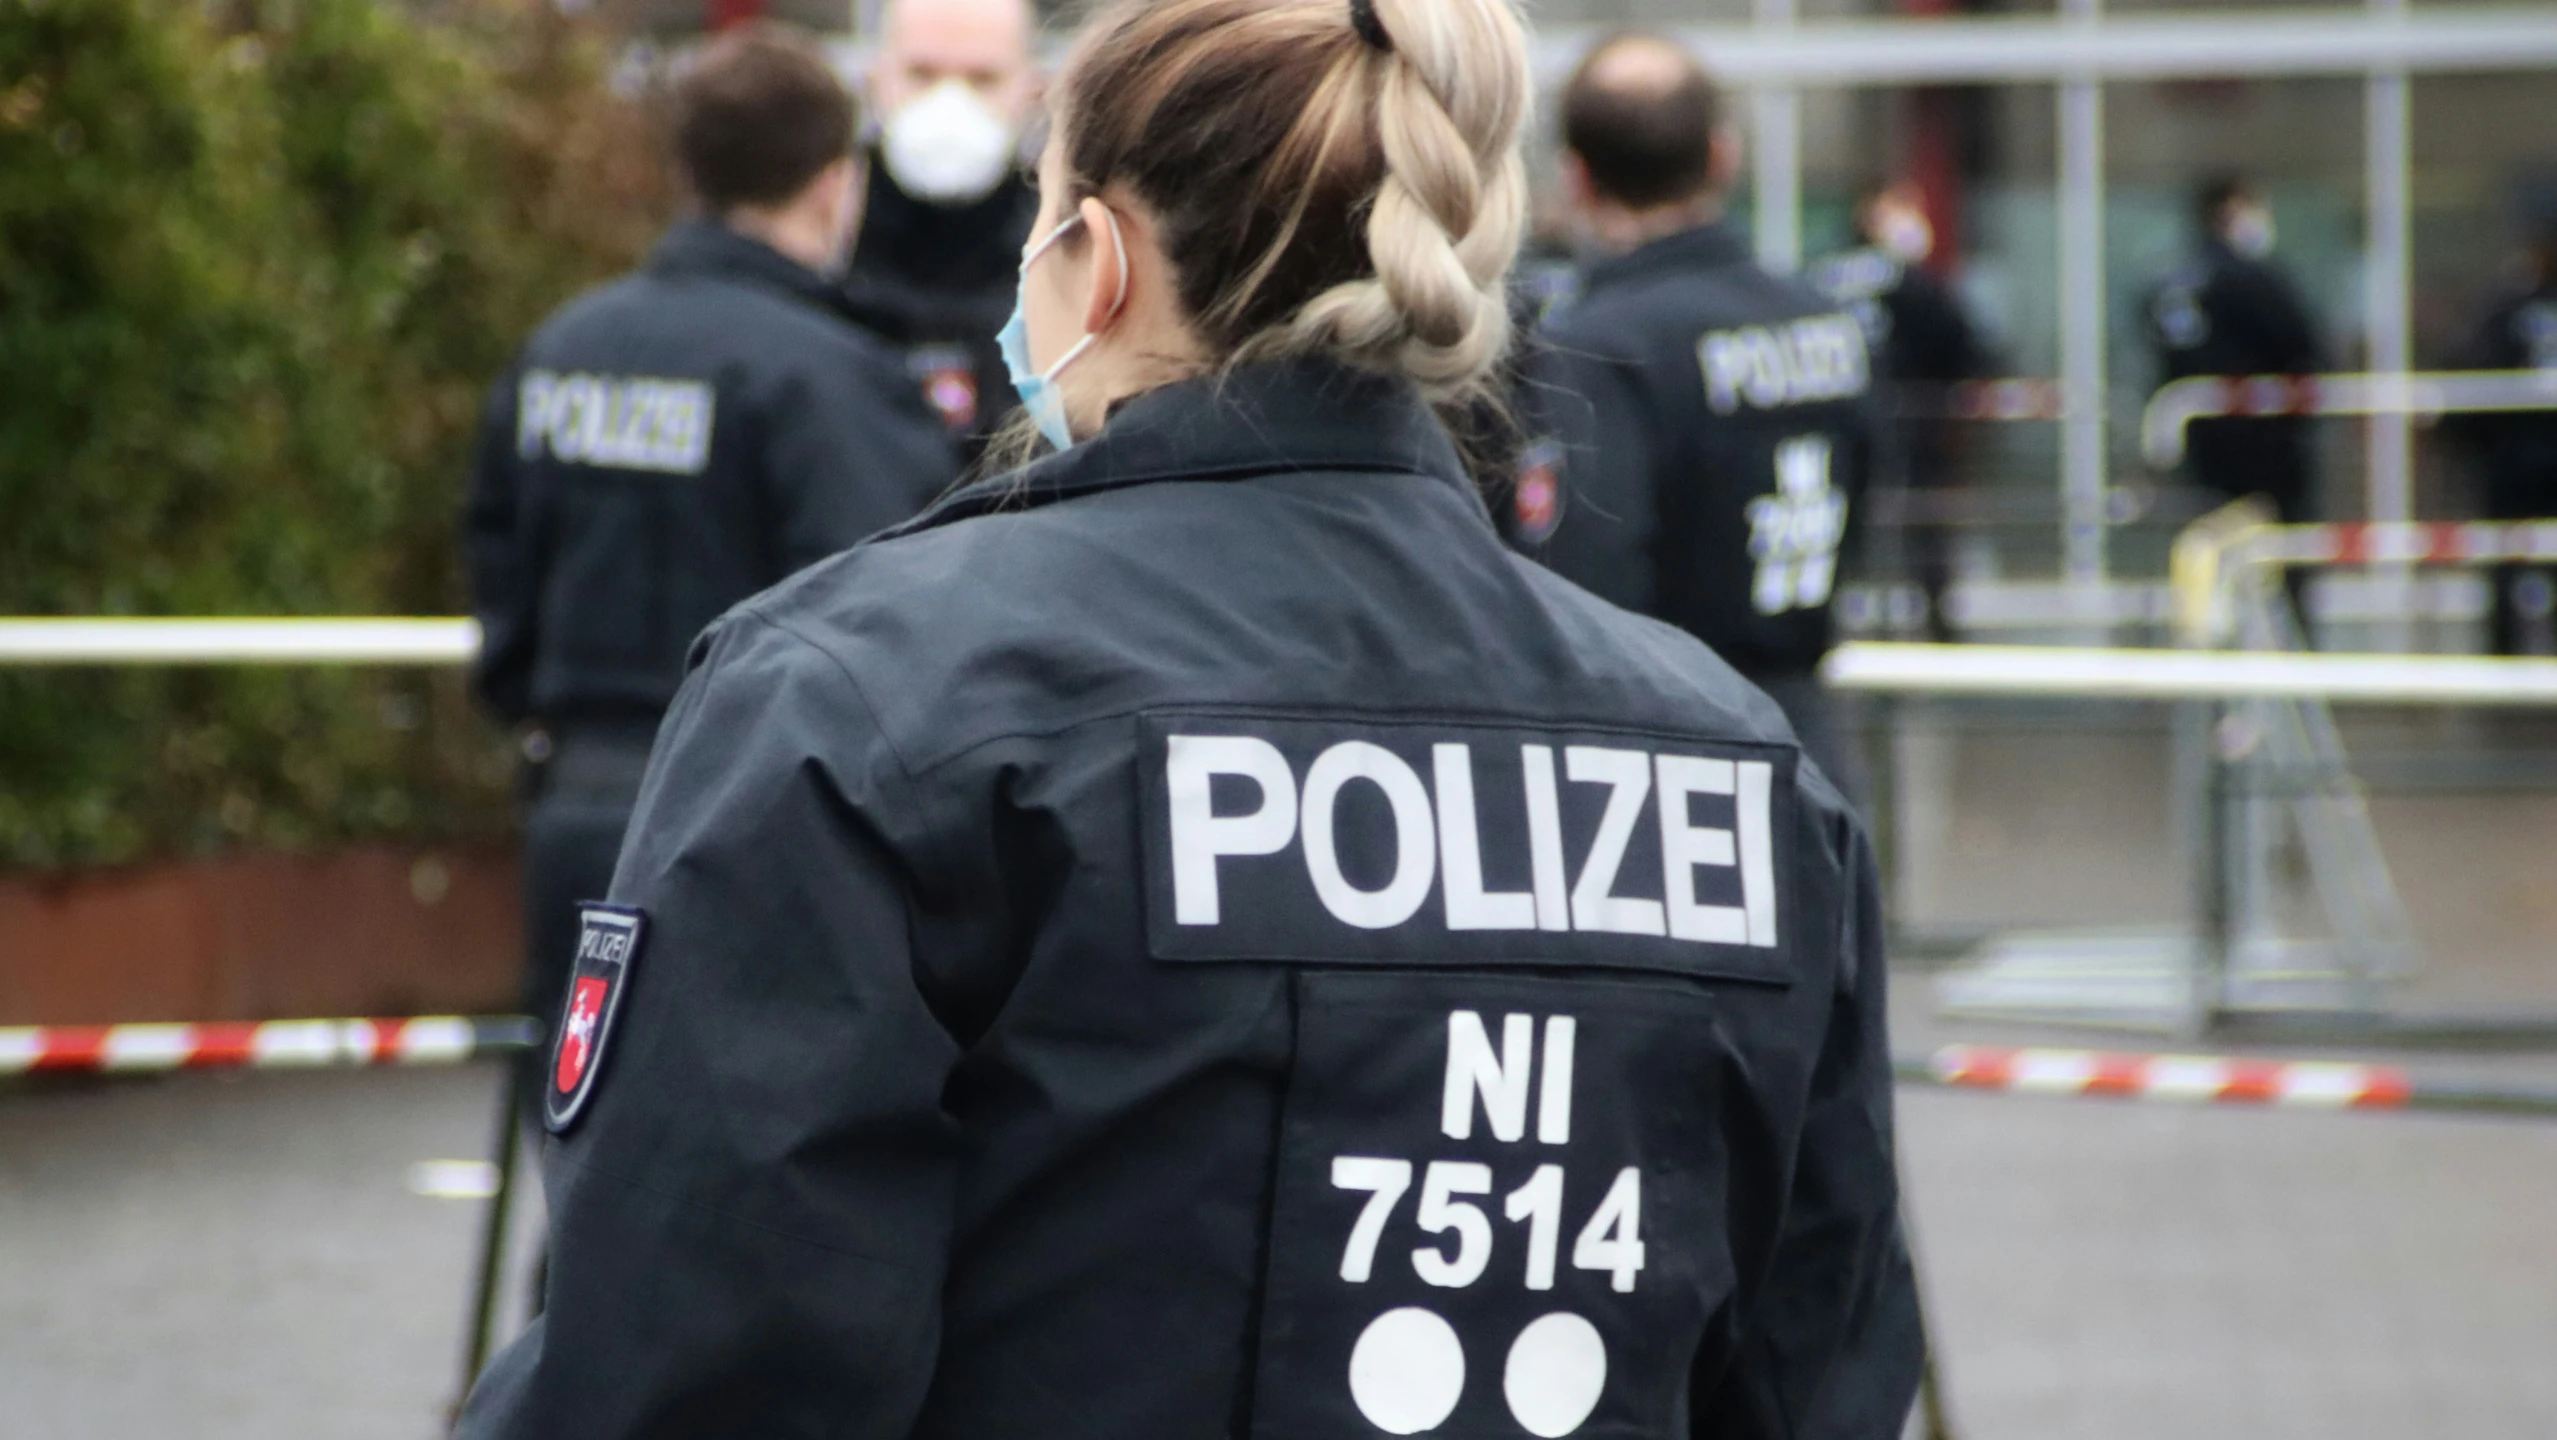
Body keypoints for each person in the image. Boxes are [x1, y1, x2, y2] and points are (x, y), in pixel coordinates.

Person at [458, 0, 1919, 1435]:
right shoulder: (1738, 765)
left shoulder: (866, 695)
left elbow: (694, 1357)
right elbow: (1819, 1366)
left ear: (1097, 259)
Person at [462, 24, 957, 1099]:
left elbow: (498, 571)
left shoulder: (563, 348)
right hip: (751, 830)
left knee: (591, 1145)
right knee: (731, 1168)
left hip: (577, 808)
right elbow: (884, 623)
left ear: (687, 173)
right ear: (836, 186)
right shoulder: (828, 378)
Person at [1507, 33, 1876, 798]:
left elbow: (1586, 581)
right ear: (1721, 156)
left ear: (1576, 178)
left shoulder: (1598, 345)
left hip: (1667, 763)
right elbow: (1867, 496)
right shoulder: (1821, 321)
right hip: (1809, 745)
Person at [842, 0, 1043, 462]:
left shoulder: (1065, 262)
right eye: (921, 74)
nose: (949, 103)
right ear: (875, 80)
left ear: (1032, 92)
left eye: (983, 80)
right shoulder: (821, 249)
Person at [1813, 181, 1989, 641]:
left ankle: (1841, 621)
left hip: (1836, 425)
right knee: (1921, 524)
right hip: (1909, 424)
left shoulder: (1821, 277)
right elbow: (1960, 344)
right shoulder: (1912, 281)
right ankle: (1936, 625)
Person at [2146, 175, 2327, 524]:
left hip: (2199, 435)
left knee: (2211, 529)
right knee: (2276, 532)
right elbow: (2298, 342)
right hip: (2261, 432)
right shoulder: (2250, 278)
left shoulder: (2171, 280)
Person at [2448, 212, 2557, 654]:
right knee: (2515, 559)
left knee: (2508, 559)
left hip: (2516, 456)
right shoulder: (2506, 305)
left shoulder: (2506, 307)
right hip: (2521, 456)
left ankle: (2505, 655)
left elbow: (2473, 370)